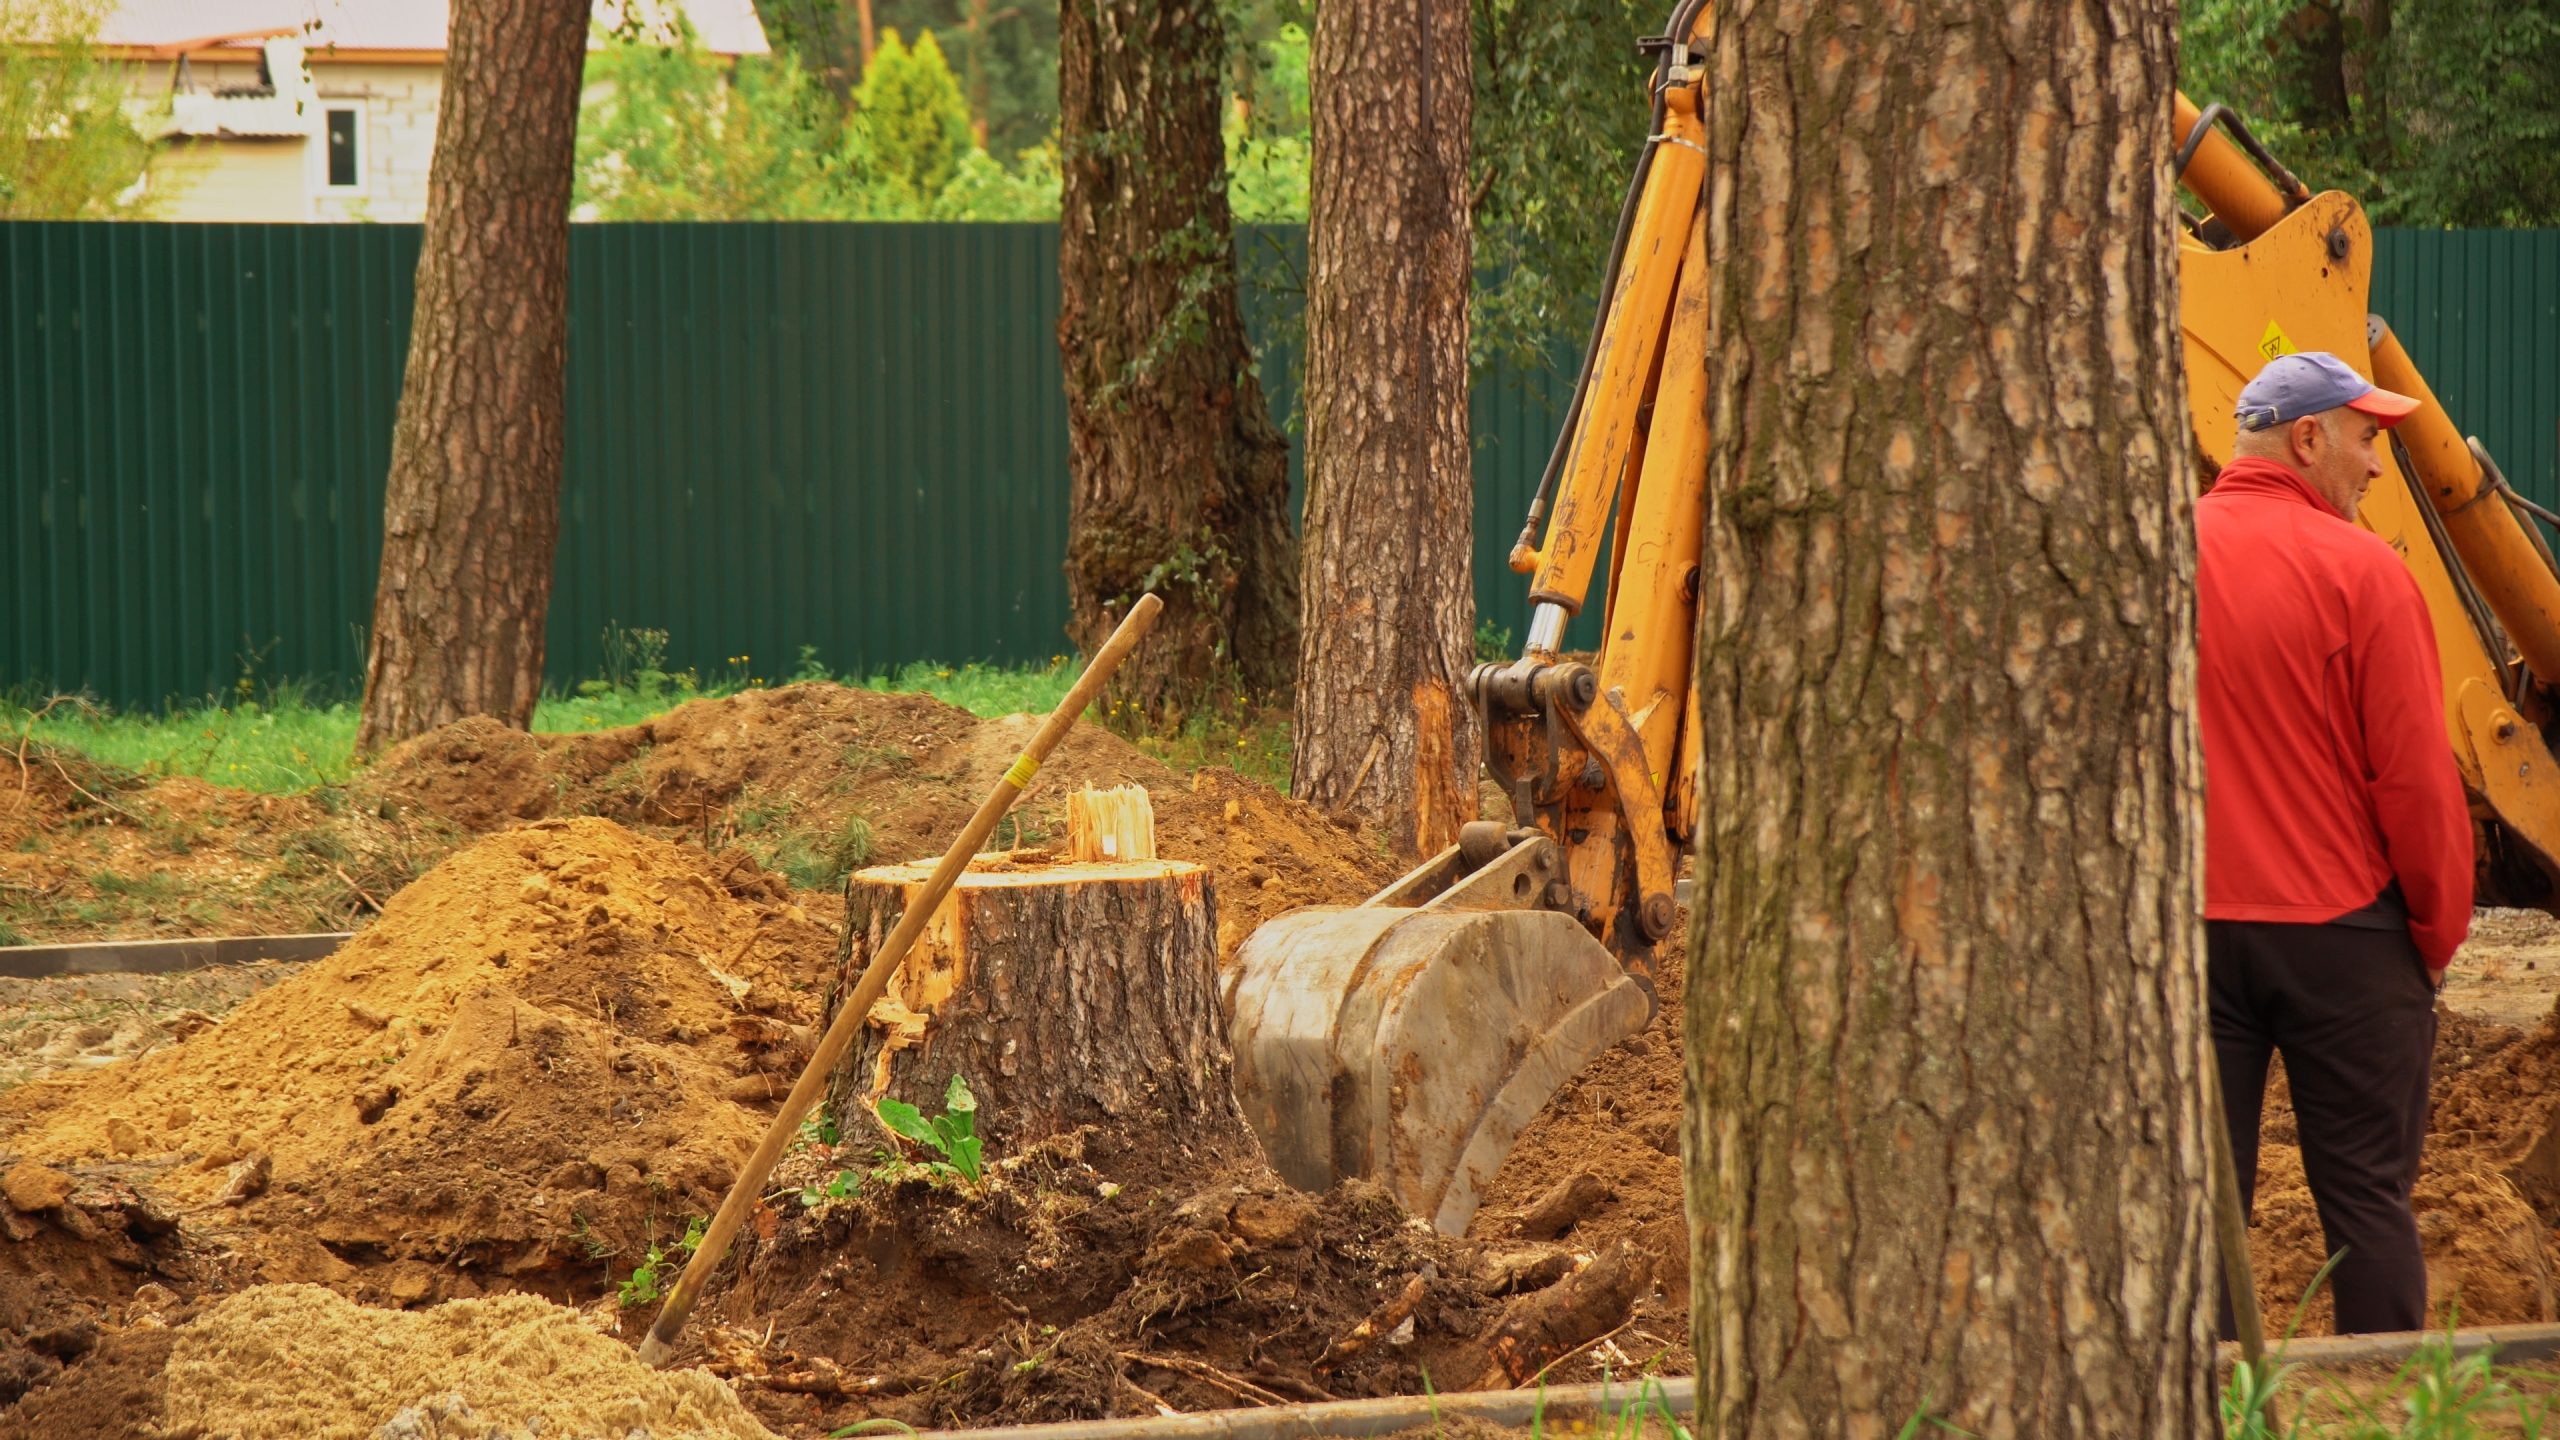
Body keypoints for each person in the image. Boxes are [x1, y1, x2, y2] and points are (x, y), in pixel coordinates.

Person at [2196, 349, 2473, 1335]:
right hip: (2345, 937)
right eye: (2365, 438)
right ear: (2307, 437)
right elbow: (2414, 785)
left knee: (2200, 1221)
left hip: (2189, 937)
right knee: (2365, 1209)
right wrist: (2434, 936)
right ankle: (2394, 1406)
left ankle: (2214, 1411)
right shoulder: (2363, 573)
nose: (2373, 464)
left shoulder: (2152, 555)